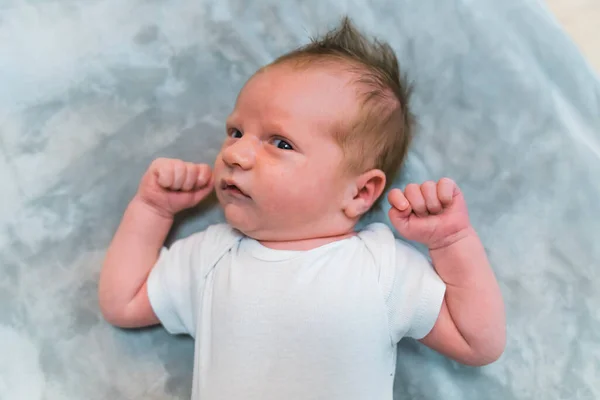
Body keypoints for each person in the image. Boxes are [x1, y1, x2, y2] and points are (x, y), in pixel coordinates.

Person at [99, 16, 505, 400]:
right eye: (236, 131)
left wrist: (452, 242)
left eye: (280, 143)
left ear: (361, 192)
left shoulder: (380, 267)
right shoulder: (213, 256)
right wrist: (151, 210)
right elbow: (124, 302)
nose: (236, 153)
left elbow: (479, 342)